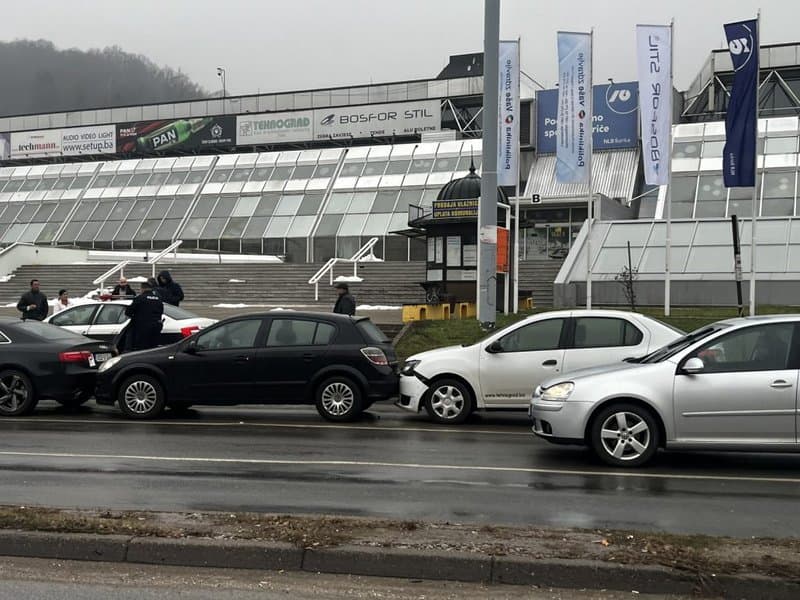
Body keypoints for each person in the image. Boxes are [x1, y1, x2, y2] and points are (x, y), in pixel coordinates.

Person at [122, 280, 164, 352]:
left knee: (142, 349)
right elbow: (161, 311)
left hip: (143, 327)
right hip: (156, 326)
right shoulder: (158, 299)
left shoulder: (140, 298)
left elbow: (128, 312)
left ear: (142, 288)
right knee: (154, 348)